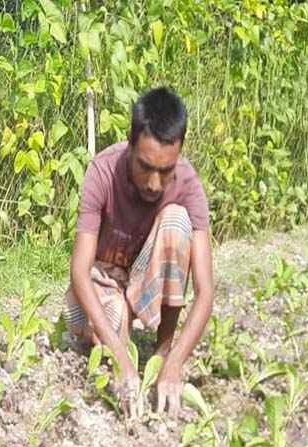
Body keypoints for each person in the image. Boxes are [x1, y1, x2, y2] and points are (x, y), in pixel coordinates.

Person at [66, 87, 214, 418]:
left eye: (166, 171)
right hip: (103, 278)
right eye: (146, 167)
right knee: (109, 326)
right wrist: (120, 356)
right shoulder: (102, 171)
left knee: (177, 222)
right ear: (130, 146)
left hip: (143, 277)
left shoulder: (188, 185)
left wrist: (174, 362)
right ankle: (111, 343)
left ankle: (159, 353)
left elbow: (205, 292)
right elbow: (79, 271)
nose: (155, 184)